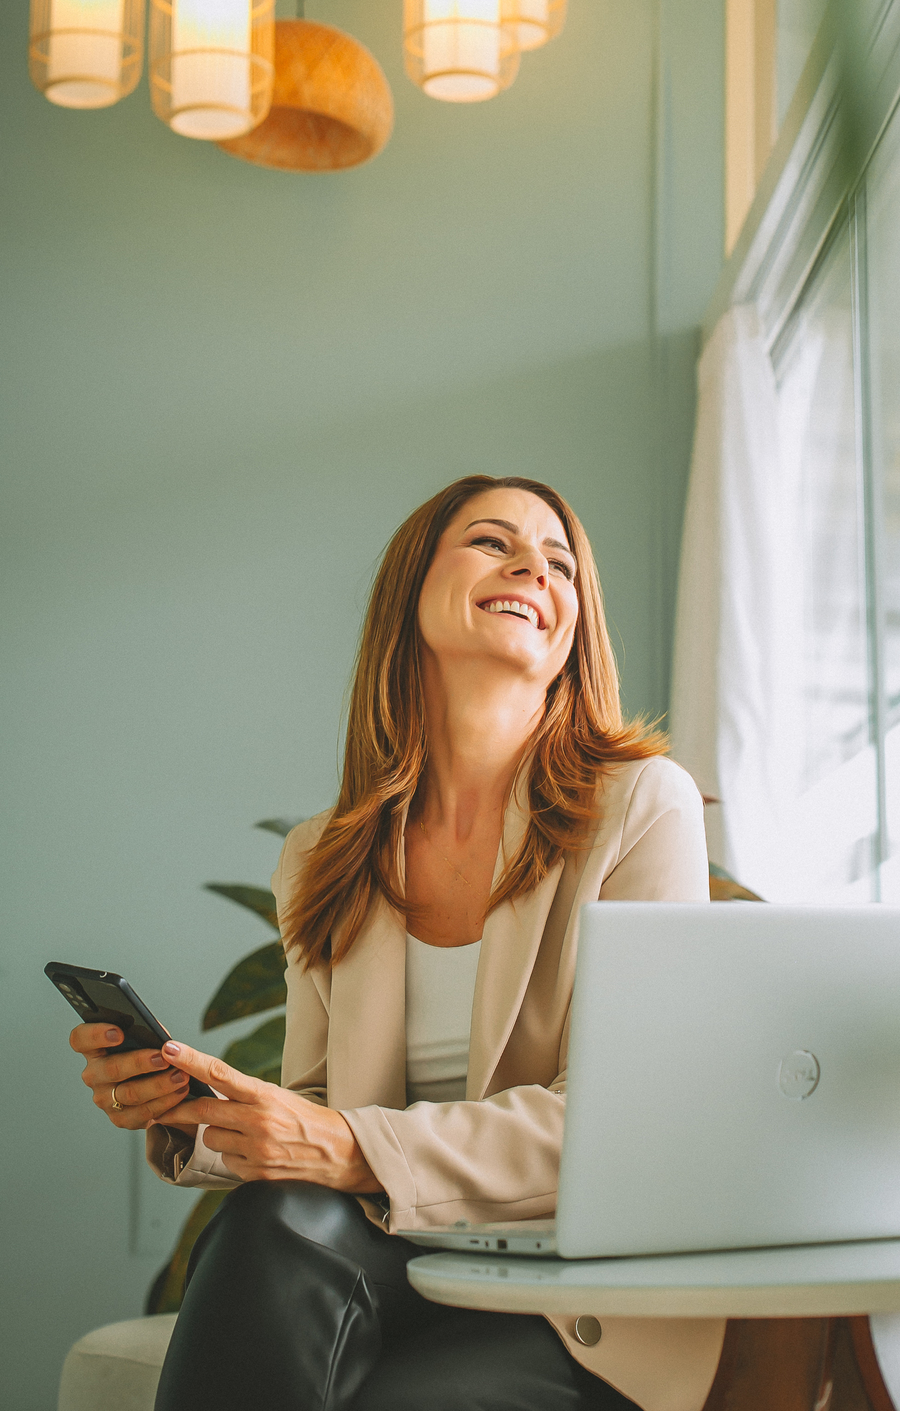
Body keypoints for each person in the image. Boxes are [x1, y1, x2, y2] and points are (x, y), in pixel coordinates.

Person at [68, 475, 718, 1411]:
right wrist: (190, 1109)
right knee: (271, 1218)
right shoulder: (323, 857)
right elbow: (319, 1111)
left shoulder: (641, 807)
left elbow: (628, 1124)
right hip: (396, 1263)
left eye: (561, 560)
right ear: (411, 592)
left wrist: (346, 1147)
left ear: (575, 627)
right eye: (493, 543)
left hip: (575, 1299)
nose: (534, 564)